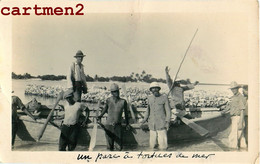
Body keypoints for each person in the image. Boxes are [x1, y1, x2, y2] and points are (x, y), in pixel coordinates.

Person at [97, 83, 130, 151]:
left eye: (117, 91)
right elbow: (105, 109)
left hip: (118, 126)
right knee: (109, 147)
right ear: (111, 92)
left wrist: (127, 124)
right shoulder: (108, 100)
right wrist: (100, 116)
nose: (117, 93)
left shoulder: (123, 101)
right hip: (109, 126)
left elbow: (126, 114)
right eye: (114, 91)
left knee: (119, 147)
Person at [141, 82, 171, 150]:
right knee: (152, 146)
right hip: (152, 124)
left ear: (159, 89)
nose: (154, 90)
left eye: (156, 88)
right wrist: (144, 120)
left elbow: (168, 111)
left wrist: (167, 122)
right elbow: (148, 110)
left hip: (161, 124)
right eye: (153, 89)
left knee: (163, 146)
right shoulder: (149, 98)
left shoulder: (164, 97)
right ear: (151, 90)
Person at [224, 81, 247, 149]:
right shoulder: (233, 97)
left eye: (234, 89)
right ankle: (242, 149)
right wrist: (224, 111)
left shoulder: (239, 97)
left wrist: (240, 122)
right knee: (240, 136)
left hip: (238, 118)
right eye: (232, 89)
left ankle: (233, 150)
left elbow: (242, 110)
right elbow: (230, 107)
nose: (233, 90)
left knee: (233, 136)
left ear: (237, 88)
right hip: (235, 118)